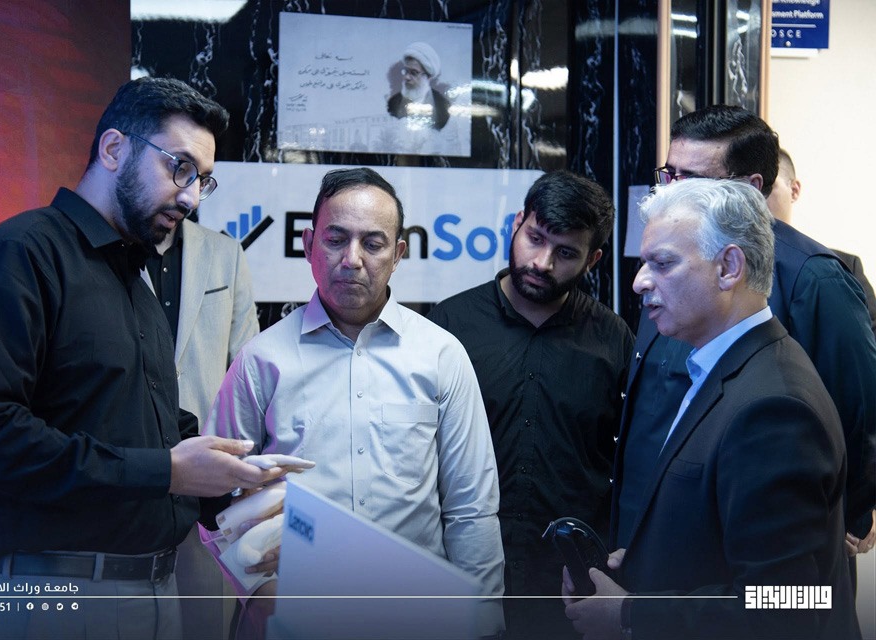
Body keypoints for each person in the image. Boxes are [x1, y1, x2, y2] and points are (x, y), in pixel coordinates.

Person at [0, 76, 287, 640]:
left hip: (153, 591)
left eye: (202, 180)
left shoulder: (133, 281)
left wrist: (237, 483)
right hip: (46, 595)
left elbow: (147, 426)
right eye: (180, 168)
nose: (191, 198)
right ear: (114, 149)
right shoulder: (18, 255)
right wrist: (168, 471)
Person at [204, 167, 505, 636]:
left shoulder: (441, 355)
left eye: (373, 243)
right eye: (336, 239)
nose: (352, 259)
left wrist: (481, 622)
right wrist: (259, 593)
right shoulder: (261, 360)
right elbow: (215, 496)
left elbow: (471, 509)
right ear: (308, 245)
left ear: (398, 254)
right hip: (295, 615)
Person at [563, 178, 860, 639]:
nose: (640, 282)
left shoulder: (773, 409)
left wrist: (629, 614)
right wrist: (644, 564)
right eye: (644, 263)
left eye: (663, 263)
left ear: (729, 267)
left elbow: (788, 606)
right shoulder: (726, 367)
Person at [613, 106, 876, 567]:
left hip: (728, 556)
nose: (671, 191)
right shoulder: (677, 271)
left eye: (691, 181)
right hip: (662, 546)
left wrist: (848, 515)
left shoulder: (808, 288)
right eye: (668, 176)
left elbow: (788, 598)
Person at [428, 170, 633, 639]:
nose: (542, 262)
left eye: (566, 253)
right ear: (517, 223)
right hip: (460, 572)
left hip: (568, 586)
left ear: (593, 259)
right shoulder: (449, 325)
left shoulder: (614, 340)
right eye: (535, 238)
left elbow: (627, 464)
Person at [143, 219, 260, 640]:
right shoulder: (106, 254)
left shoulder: (226, 254)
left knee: (205, 622)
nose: (189, 193)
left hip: (210, 486)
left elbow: (248, 370)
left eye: (199, 183)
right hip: (130, 475)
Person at [768, 148, 876, 337]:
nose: (755, 198)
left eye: (767, 186)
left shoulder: (842, 267)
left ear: (794, 190)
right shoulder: (727, 269)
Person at [387, 42, 451, 131]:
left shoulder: (442, 106)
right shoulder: (393, 104)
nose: (407, 77)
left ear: (428, 76)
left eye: (413, 73)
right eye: (405, 71)